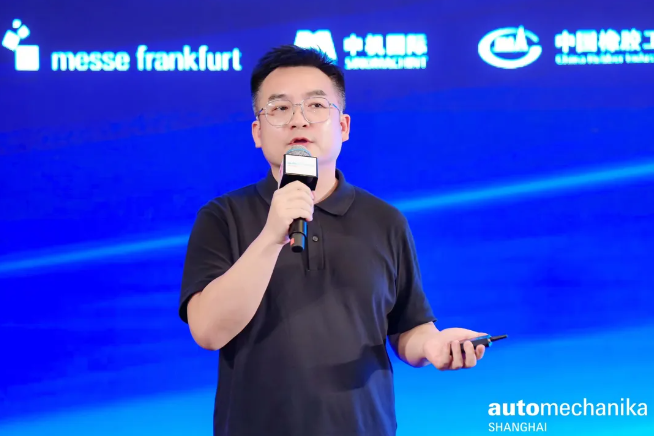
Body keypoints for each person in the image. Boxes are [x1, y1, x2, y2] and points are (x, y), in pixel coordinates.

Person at [179, 45, 487, 436]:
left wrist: (434, 346)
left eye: (315, 106)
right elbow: (208, 332)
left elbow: (407, 328)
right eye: (280, 108)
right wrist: (271, 236)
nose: (298, 120)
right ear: (257, 132)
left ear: (343, 126)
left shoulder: (385, 220)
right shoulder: (223, 217)